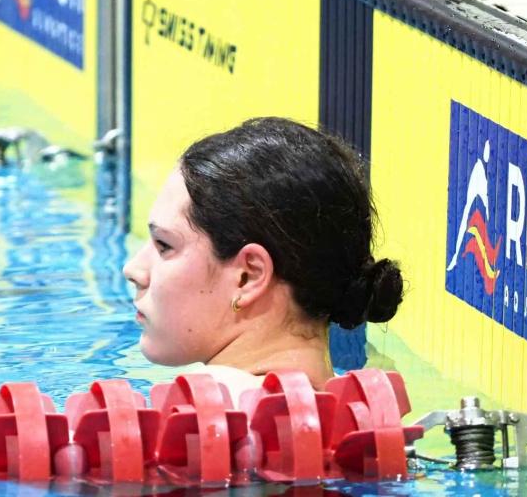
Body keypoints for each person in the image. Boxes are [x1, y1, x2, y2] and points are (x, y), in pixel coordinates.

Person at [122, 117, 403, 400]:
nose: (133, 269)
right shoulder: (360, 412)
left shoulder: (205, 409)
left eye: (164, 245)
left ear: (248, 276)